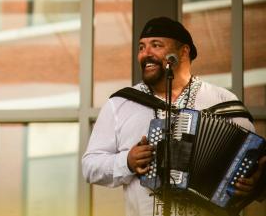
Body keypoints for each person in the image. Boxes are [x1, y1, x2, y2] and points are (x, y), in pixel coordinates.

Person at [82, 17, 266, 216]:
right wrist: (127, 161)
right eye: (141, 47)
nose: (146, 54)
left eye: (156, 45)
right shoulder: (120, 104)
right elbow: (90, 166)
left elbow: (253, 162)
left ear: (183, 51)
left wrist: (254, 184)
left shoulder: (223, 101)